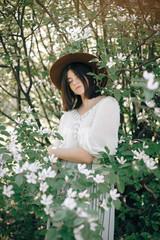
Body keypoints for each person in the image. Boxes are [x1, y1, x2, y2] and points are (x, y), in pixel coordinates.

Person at [48, 52, 120, 239]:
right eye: (70, 81)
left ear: (89, 76)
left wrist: (54, 150)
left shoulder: (107, 104)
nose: (75, 83)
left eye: (78, 76)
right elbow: (56, 158)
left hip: (93, 184)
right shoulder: (68, 115)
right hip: (64, 184)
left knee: (89, 233)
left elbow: (89, 155)